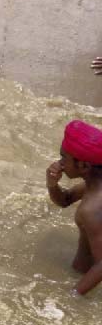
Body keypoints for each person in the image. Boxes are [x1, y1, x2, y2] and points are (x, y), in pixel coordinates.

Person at [46, 119, 102, 295]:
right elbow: (65, 200)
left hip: (88, 280)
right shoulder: (93, 186)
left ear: (84, 166)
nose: (60, 163)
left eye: (64, 157)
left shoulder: (92, 208)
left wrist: (73, 295)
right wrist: (52, 185)